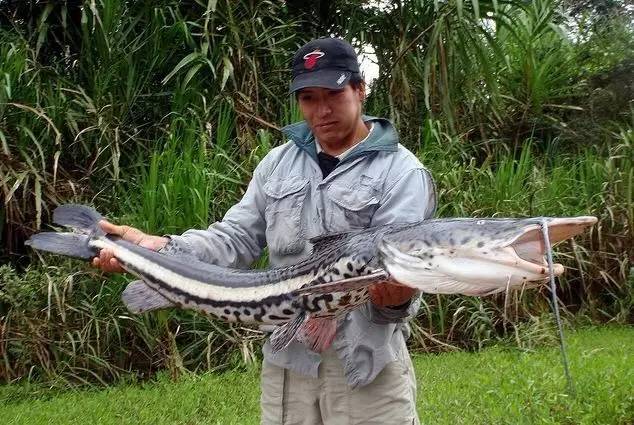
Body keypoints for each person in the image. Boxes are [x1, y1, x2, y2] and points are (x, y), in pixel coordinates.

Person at [93, 37, 436, 425]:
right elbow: (235, 238)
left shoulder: (403, 172)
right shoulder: (276, 165)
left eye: (334, 94)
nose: (321, 110)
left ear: (360, 89)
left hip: (364, 367)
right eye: (308, 97)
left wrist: (395, 299)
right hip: (288, 366)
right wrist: (162, 248)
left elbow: (401, 274)